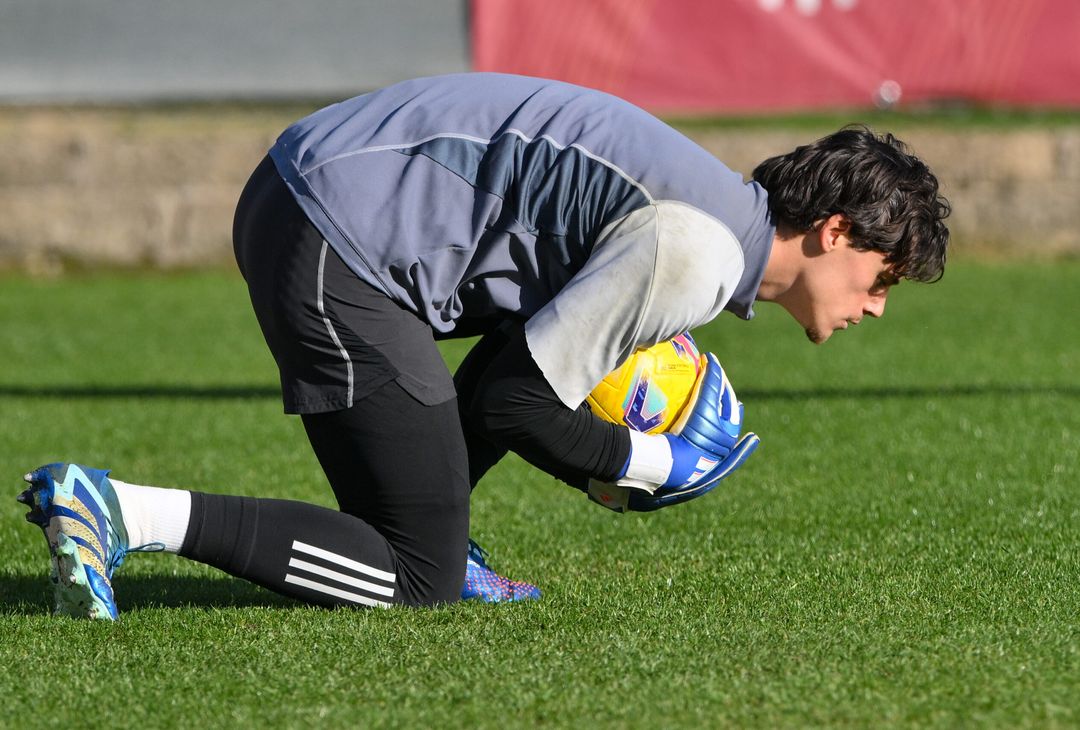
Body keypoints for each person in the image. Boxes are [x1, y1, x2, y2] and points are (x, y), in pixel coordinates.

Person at [18, 73, 949, 619]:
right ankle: (121, 510)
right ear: (833, 230)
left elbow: (510, 364)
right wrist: (650, 460)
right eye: (882, 279)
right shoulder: (700, 251)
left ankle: (441, 535)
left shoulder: (712, 218)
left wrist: (604, 460)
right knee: (414, 578)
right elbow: (514, 403)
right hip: (338, 234)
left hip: (315, 198)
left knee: (430, 532)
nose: (876, 308)